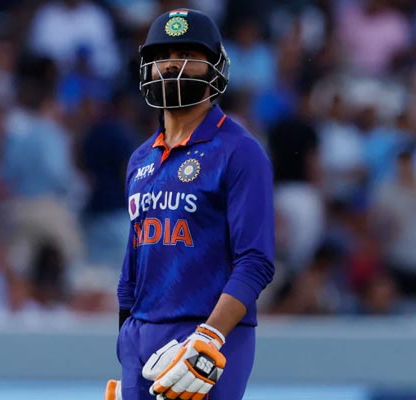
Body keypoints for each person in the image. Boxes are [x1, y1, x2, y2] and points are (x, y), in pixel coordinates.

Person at [105, 8, 275, 400]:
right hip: (141, 336)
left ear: (215, 66)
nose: (173, 66)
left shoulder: (240, 152)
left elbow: (256, 261)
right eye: (164, 55)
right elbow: (134, 263)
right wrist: (126, 349)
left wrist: (210, 337)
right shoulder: (140, 159)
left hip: (210, 334)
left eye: (188, 55)